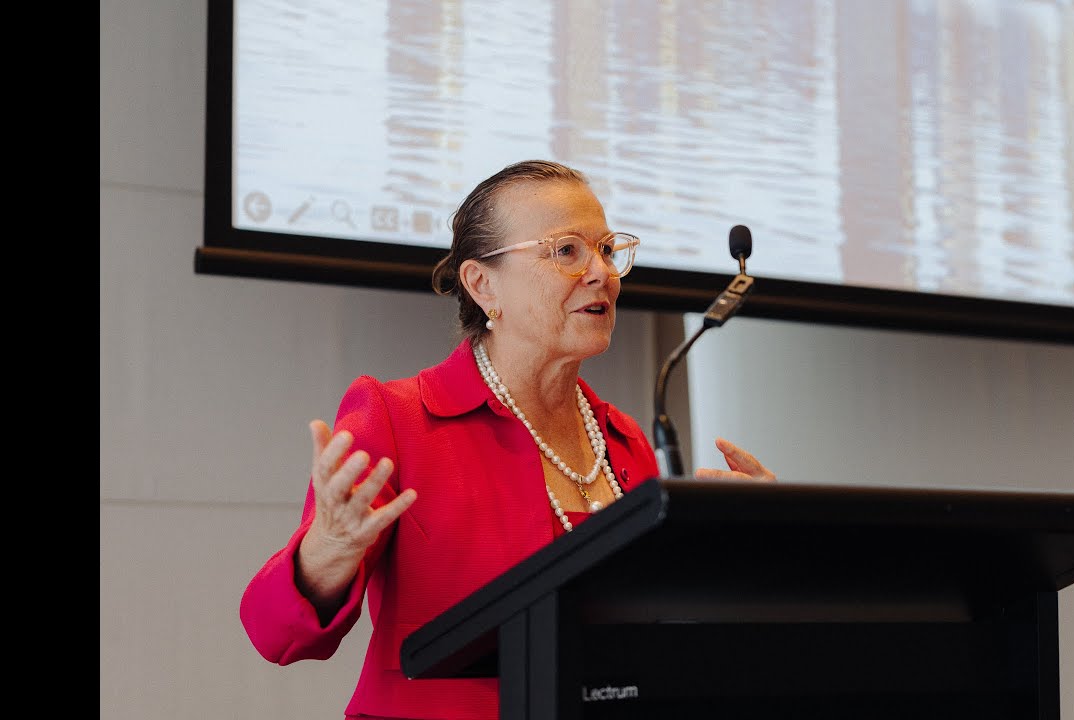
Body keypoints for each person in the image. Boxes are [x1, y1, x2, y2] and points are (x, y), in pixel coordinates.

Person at [239, 159, 776, 720]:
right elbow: (274, 635)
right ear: (482, 284)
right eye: (567, 251)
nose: (602, 273)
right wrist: (328, 547)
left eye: (607, 251)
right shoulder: (397, 419)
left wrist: (744, 553)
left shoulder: (623, 442)